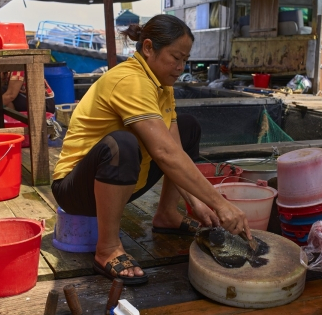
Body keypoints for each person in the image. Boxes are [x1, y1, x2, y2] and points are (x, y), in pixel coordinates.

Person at [51, 14, 251, 285]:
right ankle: (107, 247)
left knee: (188, 127)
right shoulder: (130, 80)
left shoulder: (161, 85)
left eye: (185, 60)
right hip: (76, 190)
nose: (180, 67)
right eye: (175, 57)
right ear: (148, 48)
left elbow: (174, 148)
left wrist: (198, 203)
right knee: (122, 144)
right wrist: (221, 204)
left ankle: (167, 215)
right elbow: (164, 153)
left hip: (126, 183)